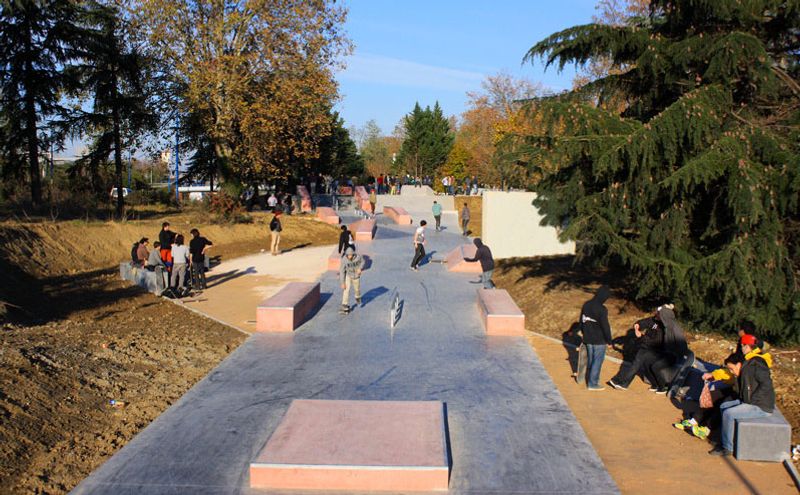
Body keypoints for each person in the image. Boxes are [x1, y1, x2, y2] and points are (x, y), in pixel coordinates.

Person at [709, 334, 775, 456]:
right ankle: (726, 438)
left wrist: (752, 400)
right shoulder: (749, 361)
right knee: (724, 406)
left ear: (747, 346)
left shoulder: (757, 362)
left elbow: (766, 384)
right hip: (750, 401)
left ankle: (728, 448)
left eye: (742, 345)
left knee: (729, 414)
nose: (741, 348)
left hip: (761, 405)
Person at [608, 309, 666, 390]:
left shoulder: (664, 327)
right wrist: (637, 325)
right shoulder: (653, 319)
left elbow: (656, 341)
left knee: (635, 364)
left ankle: (622, 382)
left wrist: (641, 337)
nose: (656, 313)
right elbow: (644, 322)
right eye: (657, 312)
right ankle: (656, 384)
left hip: (653, 350)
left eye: (659, 313)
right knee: (643, 366)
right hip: (645, 346)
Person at [647, 304, 689, 393]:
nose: (659, 316)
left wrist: (683, 356)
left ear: (665, 316)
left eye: (661, 315)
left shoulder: (674, 327)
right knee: (647, 361)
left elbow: (682, 343)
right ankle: (655, 384)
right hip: (666, 353)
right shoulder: (667, 326)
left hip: (673, 355)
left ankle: (663, 387)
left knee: (655, 366)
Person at [579, 285, 613, 391]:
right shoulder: (602, 309)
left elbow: (581, 321)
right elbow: (605, 326)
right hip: (599, 340)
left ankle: (593, 378)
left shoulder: (586, 305)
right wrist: (609, 340)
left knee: (591, 360)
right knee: (597, 361)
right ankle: (592, 383)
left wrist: (584, 333)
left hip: (588, 338)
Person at [339, 246, 364, 314]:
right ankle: (345, 305)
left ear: (353, 254)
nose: (349, 256)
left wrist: (360, 268)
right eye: (348, 255)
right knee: (346, 289)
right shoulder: (344, 259)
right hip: (348, 275)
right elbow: (342, 271)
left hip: (356, 276)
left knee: (357, 290)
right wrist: (342, 283)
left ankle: (358, 299)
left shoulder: (358, 257)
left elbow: (363, 262)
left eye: (350, 255)